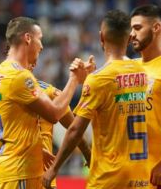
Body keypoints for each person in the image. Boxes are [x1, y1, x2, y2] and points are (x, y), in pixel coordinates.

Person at [43, 10, 150, 188]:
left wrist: (54, 168)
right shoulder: (142, 72)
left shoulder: (99, 79)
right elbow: (116, 91)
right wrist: (92, 79)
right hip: (140, 176)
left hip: (109, 177)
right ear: (130, 38)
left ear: (101, 37)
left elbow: (75, 130)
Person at [0, 16, 89, 189]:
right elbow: (55, 114)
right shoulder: (20, 77)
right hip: (21, 173)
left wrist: (34, 148)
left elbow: (12, 123)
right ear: (27, 38)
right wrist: (74, 80)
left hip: (14, 166)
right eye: (40, 39)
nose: (41, 46)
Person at [130, 4, 161, 187]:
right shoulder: (127, 68)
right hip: (129, 175)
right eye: (131, 29)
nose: (132, 34)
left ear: (156, 28)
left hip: (155, 176)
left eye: (138, 28)